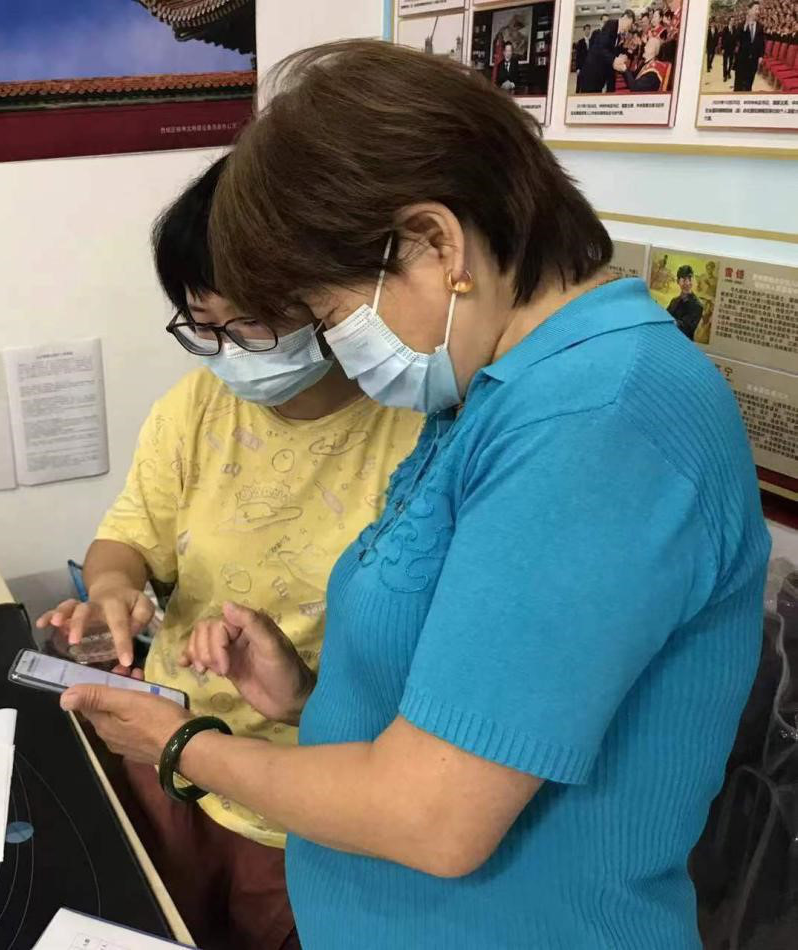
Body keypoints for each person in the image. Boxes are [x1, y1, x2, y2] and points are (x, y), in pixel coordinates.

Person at [63, 41, 770, 949]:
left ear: (437, 244)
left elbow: (434, 818)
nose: (335, 346)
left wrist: (179, 746)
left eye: (330, 314)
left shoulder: (598, 421)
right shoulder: (492, 388)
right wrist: (306, 697)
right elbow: (478, 707)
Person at [38, 156, 421, 950]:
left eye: (249, 323)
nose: (225, 350)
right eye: (200, 324)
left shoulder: (418, 434)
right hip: (167, 753)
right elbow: (127, 537)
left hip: (306, 796)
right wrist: (114, 589)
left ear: (329, 299)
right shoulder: (195, 408)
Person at [735, 0, 767, 90]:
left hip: (753, 61)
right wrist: (745, 26)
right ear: (749, 10)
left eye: (759, 9)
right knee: (738, 86)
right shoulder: (741, 25)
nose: (758, 12)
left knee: (749, 85)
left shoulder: (760, 27)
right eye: (756, 9)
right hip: (741, 60)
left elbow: (761, 43)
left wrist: (761, 56)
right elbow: (737, 39)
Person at [668, 264, 704, 339]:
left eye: (690, 279)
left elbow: (687, 328)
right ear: (678, 281)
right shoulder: (674, 301)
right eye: (684, 280)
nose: (687, 283)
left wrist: (668, 321)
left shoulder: (698, 305)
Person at [574, 24, 592, 91]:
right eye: (586, 29)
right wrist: (577, 68)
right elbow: (578, 55)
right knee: (579, 84)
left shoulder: (591, 41)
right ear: (584, 30)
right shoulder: (580, 42)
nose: (588, 31)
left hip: (589, 66)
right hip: (581, 66)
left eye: (589, 29)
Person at [723, 15, 738, 80]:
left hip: (732, 48)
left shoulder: (735, 29)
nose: (733, 22)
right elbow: (723, 39)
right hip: (726, 48)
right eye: (731, 20)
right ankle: (724, 75)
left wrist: (736, 46)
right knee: (725, 62)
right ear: (729, 21)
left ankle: (728, 72)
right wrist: (722, 48)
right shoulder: (725, 28)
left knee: (731, 62)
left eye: (733, 21)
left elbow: (736, 39)